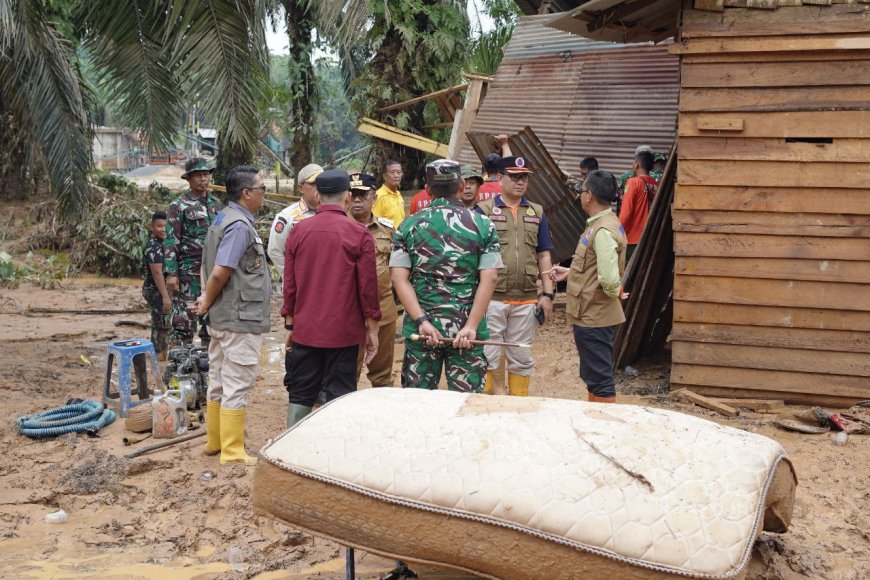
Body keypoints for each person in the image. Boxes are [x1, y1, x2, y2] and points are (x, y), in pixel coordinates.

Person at [390, 159, 502, 393]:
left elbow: (399, 279)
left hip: (423, 333)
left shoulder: (408, 225)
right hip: (466, 333)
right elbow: (489, 278)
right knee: (465, 405)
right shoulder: (484, 225)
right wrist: (471, 325)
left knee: (417, 403)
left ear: (427, 189)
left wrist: (422, 321)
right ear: (461, 185)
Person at [282, 169, 381, 427]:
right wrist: (372, 330)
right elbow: (368, 289)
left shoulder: (298, 232)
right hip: (344, 333)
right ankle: (336, 447)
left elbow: (290, 286)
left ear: (317, 194)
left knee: (301, 392)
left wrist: (291, 325)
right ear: (347, 197)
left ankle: (291, 447)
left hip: (306, 330)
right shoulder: (359, 234)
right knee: (340, 394)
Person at [196, 164, 271, 465]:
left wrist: (206, 302)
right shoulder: (239, 225)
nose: (264, 193)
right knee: (237, 380)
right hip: (239, 316)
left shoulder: (223, 217)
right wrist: (206, 300)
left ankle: (215, 442)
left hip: (223, 316)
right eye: (261, 188)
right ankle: (232, 450)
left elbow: (208, 267)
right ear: (247, 193)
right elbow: (220, 271)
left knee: (218, 378)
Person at [475, 156, 555, 397]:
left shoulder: (536, 212)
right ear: (500, 178)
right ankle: (486, 405)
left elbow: (543, 255)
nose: (520, 182)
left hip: (526, 298)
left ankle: (517, 407)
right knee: (487, 355)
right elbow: (473, 254)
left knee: (521, 356)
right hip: (492, 298)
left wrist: (548, 293)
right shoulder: (485, 211)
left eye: (524, 178)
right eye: (514, 177)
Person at [548, 170, 627, 404]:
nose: (580, 196)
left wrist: (617, 292)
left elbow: (610, 279)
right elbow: (595, 265)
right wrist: (570, 273)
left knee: (600, 378)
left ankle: (603, 424)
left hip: (595, 315)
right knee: (593, 375)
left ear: (589, 196)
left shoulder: (603, 230)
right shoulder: (603, 223)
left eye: (582, 191)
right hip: (590, 314)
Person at [164, 157, 223, 347]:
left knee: (211, 322)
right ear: (189, 179)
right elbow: (171, 240)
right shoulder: (179, 205)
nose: (203, 179)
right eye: (198, 175)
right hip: (187, 272)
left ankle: (208, 366)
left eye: (206, 175)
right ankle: (179, 366)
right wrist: (171, 273)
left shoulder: (216, 204)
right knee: (183, 323)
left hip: (212, 272)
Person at [348, 172, 397, 388]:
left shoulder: (387, 229)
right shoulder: (340, 227)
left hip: (384, 308)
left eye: (363, 195)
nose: (357, 200)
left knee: (382, 375)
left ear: (374, 198)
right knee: (347, 373)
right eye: (353, 195)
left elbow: (398, 267)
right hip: (349, 311)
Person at [267, 163, 323, 279]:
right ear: (300, 187)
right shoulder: (287, 217)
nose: (319, 187)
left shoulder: (334, 212)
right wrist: (293, 276)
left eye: (322, 182)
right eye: (313, 183)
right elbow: (274, 251)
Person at [619, 150, 658, 262]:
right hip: (648, 239)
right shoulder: (655, 185)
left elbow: (626, 213)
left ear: (637, 164)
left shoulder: (633, 182)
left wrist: (615, 233)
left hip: (632, 239)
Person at [142, 211, 171, 360]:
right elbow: (157, 273)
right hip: (155, 290)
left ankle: (161, 356)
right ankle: (158, 357)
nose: (163, 229)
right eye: (159, 226)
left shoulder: (163, 243)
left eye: (165, 226)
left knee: (162, 324)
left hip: (159, 289)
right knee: (161, 325)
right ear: (152, 227)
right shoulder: (154, 246)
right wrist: (165, 296)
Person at [616, 145, 653, 215]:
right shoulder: (655, 180)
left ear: (637, 162)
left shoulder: (628, 178)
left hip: (632, 221)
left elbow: (620, 200)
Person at [373, 159, 406, 227]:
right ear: (384, 176)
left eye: (399, 172)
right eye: (392, 172)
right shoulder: (379, 196)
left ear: (402, 174)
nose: (396, 175)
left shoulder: (399, 195)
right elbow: (375, 224)